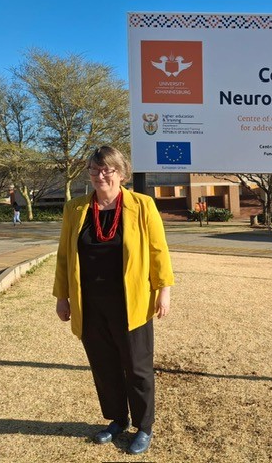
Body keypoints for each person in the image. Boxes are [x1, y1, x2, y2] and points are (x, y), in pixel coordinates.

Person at [53, 146, 174, 455]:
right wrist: (62, 297)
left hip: (130, 302)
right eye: (94, 170)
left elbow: (159, 250)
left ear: (122, 174)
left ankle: (144, 426)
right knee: (104, 366)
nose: (100, 175)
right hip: (90, 304)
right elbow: (65, 257)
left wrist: (164, 289)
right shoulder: (76, 209)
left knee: (137, 367)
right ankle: (117, 420)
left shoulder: (142, 205)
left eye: (107, 169)